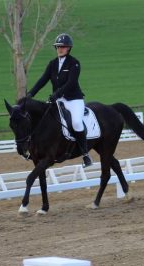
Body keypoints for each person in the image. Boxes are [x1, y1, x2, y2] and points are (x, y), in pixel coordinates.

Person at [27, 33, 93, 167]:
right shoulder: (52, 64)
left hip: (74, 100)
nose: (60, 49)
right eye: (58, 47)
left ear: (69, 48)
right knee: (46, 120)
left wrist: (57, 94)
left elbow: (71, 83)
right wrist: (30, 94)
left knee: (76, 123)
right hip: (58, 101)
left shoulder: (74, 63)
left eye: (63, 47)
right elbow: (43, 80)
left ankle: (85, 154)